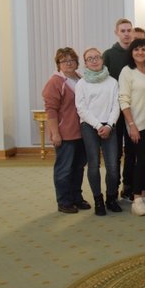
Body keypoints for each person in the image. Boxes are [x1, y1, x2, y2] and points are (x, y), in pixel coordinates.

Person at [75, 47, 122, 215]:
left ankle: (111, 198)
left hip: (110, 125)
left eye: (97, 57)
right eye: (90, 58)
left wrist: (109, 125)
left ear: (102, 60)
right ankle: (98, 200)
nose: (94, 60)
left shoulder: (112, 82)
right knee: (93, 165)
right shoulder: (81, 84)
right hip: (89, 126)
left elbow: (116, 105)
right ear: (85, 63)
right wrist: (97, 125)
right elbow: (81, 109)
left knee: (113, 167)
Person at [42, 47, 89, 214]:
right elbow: (51, 110)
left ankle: (76, 197)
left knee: (78, 167)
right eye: (64, 61)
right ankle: (64, 201)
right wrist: (55, 133)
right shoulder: (55, 82)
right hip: (65, 134)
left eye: (72, 60)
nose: (69, 63)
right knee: (64, 169)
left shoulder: (80, 78)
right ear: (58, 64)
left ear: (77, 62)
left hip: (82, 132)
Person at [118, 38, 145, 216]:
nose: (140, 52)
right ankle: (136, 199)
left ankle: (143, 194)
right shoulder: (127, 71)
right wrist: (132, 125)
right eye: (136, 49)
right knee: (141, 162)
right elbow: (123, 100)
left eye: (143, 49)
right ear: (131, 52)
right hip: (137, 125)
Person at [102, 18, 136, 201]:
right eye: (123, 31)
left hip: (132, 110)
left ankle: (128, 187)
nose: (126, 34)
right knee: (114, 153)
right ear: (117, 33)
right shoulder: (108, 55)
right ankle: (112, 190)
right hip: (114, 111)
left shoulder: (136, 53)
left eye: (129, 30)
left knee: (132, 152)